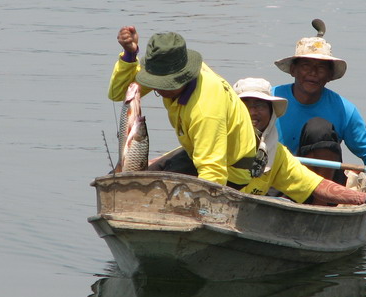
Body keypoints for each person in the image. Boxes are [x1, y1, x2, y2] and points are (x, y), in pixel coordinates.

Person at [233, 78, 366, 233]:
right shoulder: (221, 140)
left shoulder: (277, 154)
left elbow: (316, 184)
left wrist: (364, 198)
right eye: (245, 105)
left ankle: (318, 213)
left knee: (319, 129)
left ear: (271, 112)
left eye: (259, 105)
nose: (252, 112)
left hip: (294, 186)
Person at [109, 26, 257, 187]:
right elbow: (119, 94)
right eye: (154, 82)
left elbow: (213, 173)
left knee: (152, 189)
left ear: (183, 77)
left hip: (231, 169)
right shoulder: (169, 68)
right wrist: (129, 57)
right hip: (196, 151)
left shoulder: (205, 110)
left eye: (165, 84)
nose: (158, 88)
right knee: (126, 180)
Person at [273, 28, 366, 179]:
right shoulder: (269, 98)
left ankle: (321, 198)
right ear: (293, 70)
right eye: (306, 66)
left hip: (322, 185)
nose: (313, 73)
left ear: (329, 75)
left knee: (319, 127)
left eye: (321, 68)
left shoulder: (343, 109)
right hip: (274, 177)